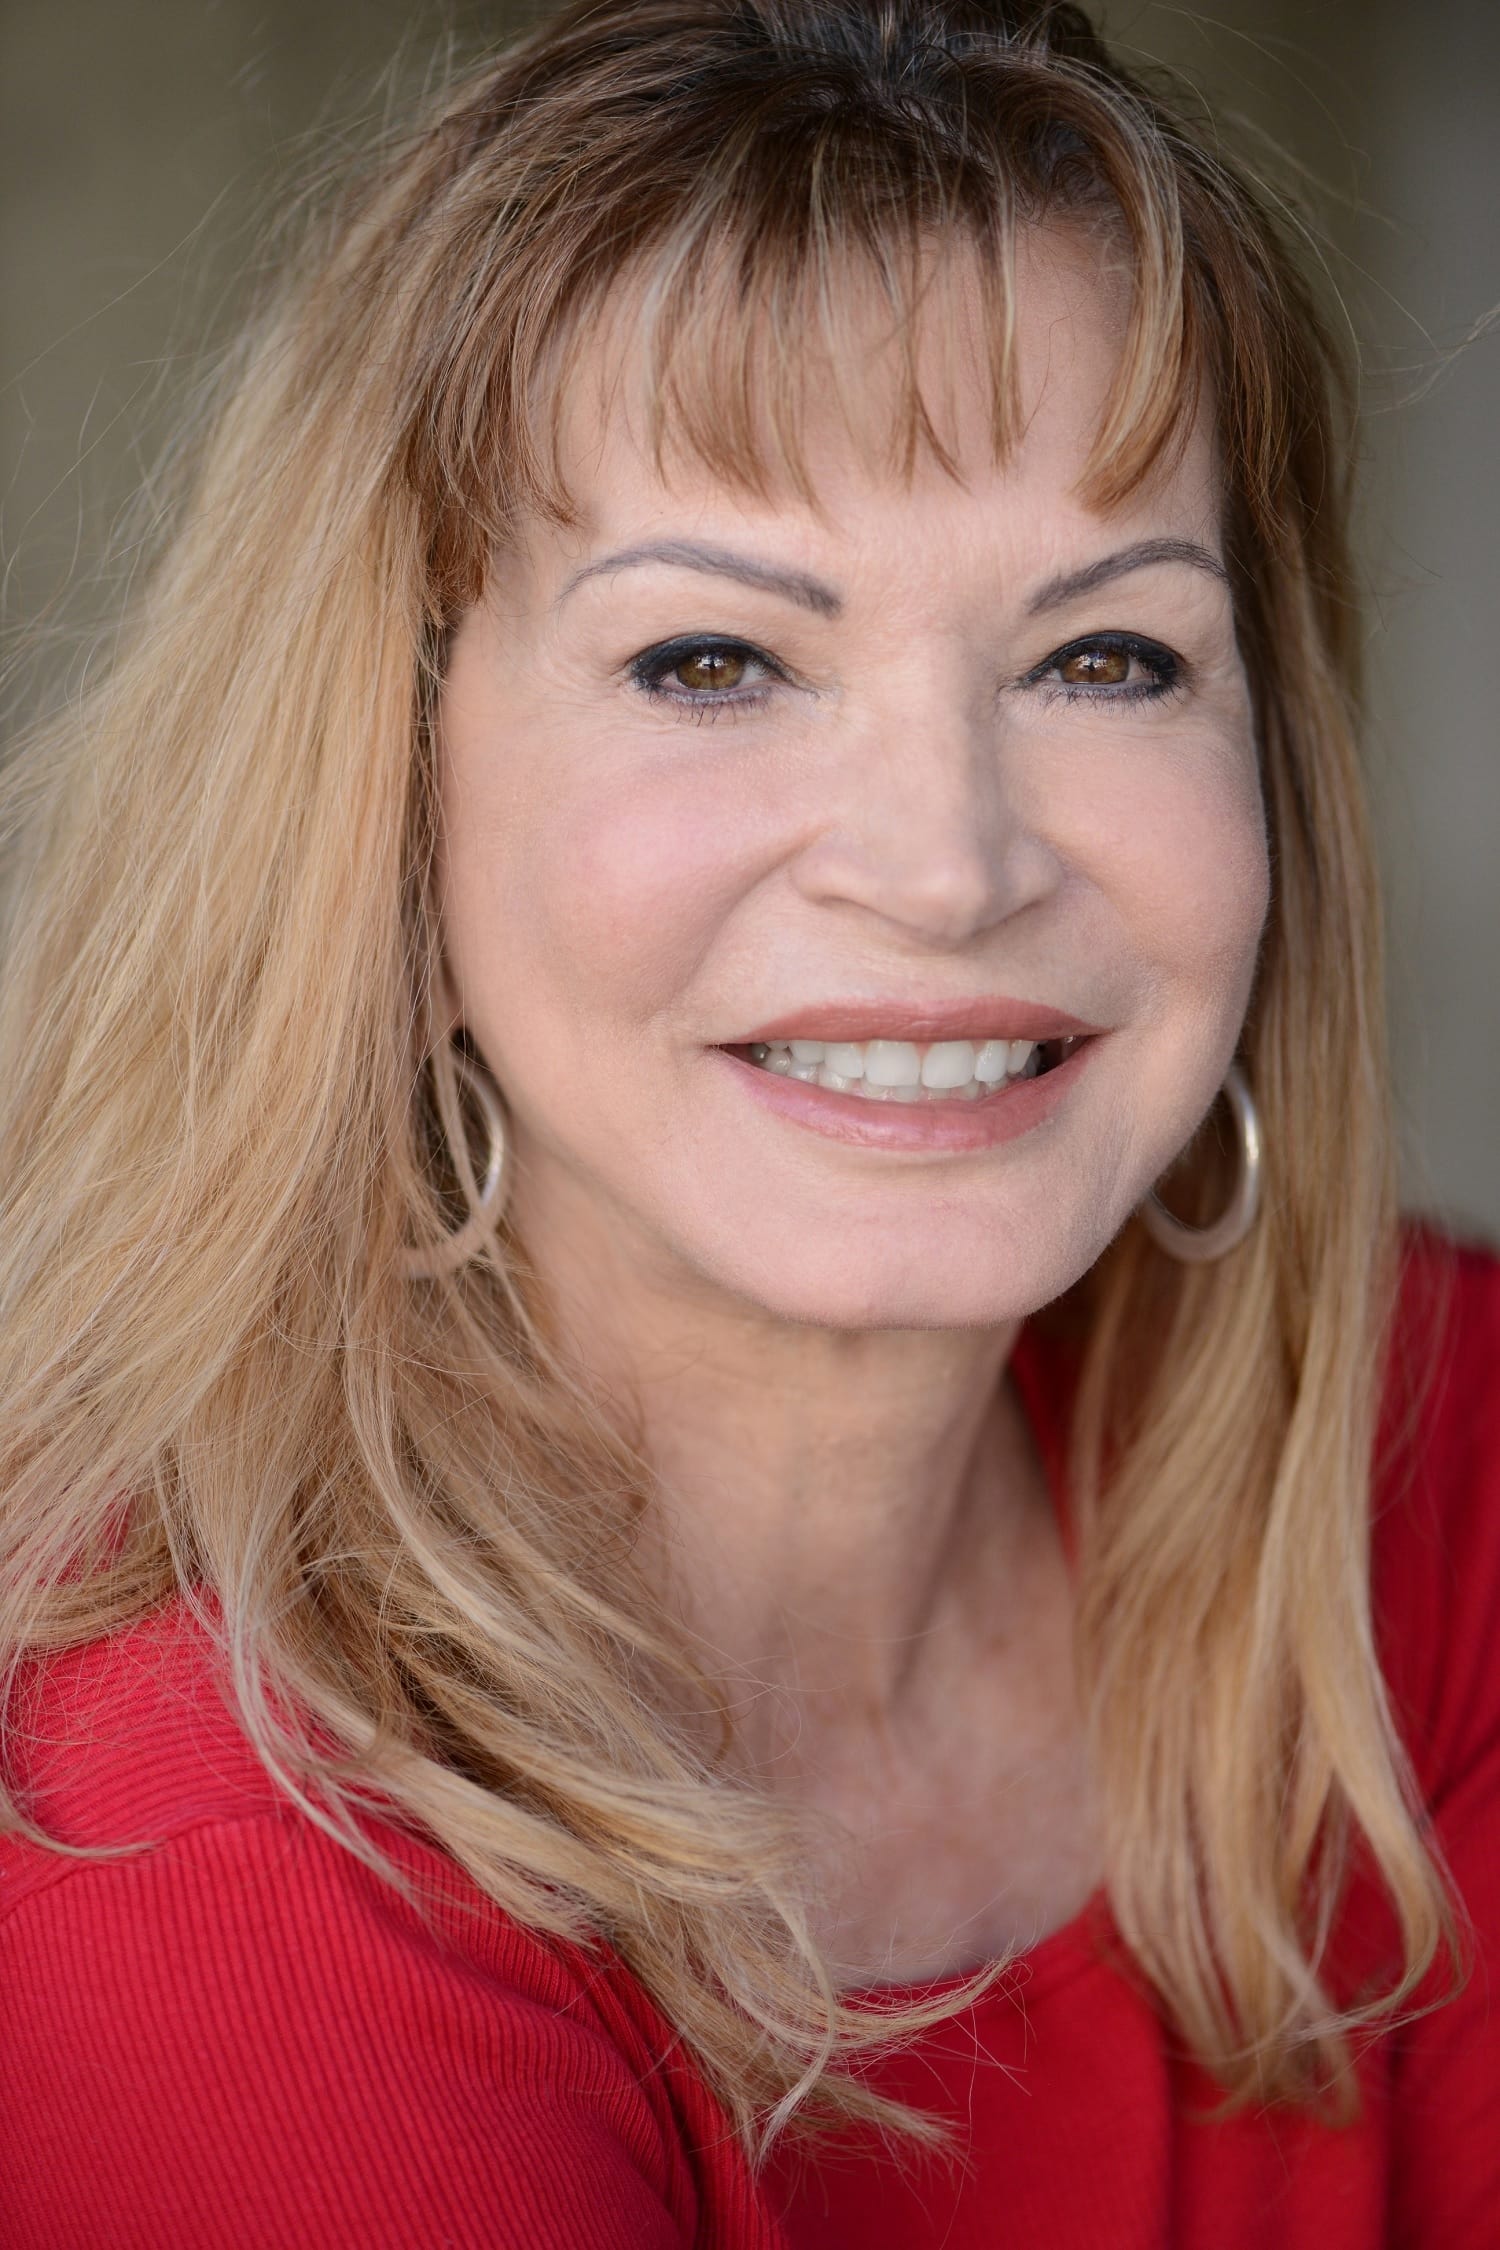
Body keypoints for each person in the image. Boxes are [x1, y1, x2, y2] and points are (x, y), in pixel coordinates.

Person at [0, 1, 1494, 2242]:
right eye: (711, 661)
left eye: (1107, 656)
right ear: (384, 799)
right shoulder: (204, 1874)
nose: (948, 862)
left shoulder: (1435, 1475)